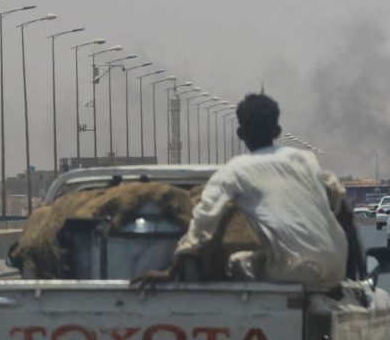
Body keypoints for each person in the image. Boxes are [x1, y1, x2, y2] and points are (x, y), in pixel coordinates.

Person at [134, 93, 349, 289]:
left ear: (240, 133)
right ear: (277, 132)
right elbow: (339, 197)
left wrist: (171, 271)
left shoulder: (234, 170)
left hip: (291, 270)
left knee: (236, 262)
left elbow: (203, 221)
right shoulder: (305, 159)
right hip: (338, 268)